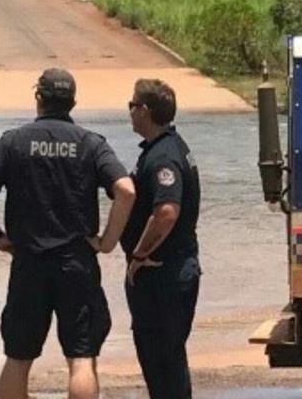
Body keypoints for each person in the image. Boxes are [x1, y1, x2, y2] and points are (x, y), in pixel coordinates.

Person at [0, 68, 136, 399]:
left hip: (29, 262)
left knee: (18, 357)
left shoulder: (14, 141)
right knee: (82, 358)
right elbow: (125, 190)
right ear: (72, 102)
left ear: (38, 99)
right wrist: (108, 242)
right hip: (77, 263)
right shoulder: (90, 143)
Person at [120, 78, 202, 399]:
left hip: (162, 274)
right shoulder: (168, 146)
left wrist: (139, 255)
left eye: (132, 106)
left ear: (146, 111)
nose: (129, 112)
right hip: (173, 270)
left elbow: (167, 212)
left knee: (163, 363)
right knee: (168, 364)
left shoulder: (163, 156)